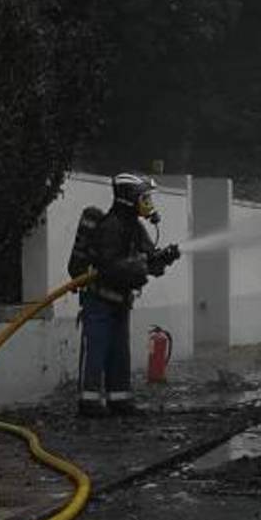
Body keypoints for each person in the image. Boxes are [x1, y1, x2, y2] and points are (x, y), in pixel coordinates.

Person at [74, 173, 179, 417]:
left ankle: (119, 400)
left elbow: (149, 262)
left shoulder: (135, 227)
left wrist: (163, 259)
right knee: (96, 351)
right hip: (99, 302)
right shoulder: (111, 226)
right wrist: (143, 263)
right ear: (129, 198)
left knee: (120, 353)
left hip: (120, 303)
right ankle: (88, 402)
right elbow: (111, 265)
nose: (148, 202)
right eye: (144, 197)